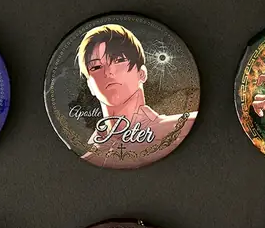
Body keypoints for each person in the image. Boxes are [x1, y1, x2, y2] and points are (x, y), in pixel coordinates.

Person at [76, 24, 197, 165]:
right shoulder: (88, 159)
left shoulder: (184, 127)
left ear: (142, 73)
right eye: (96, 66)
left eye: (119, 60)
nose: (108, 72)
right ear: (90, 86)